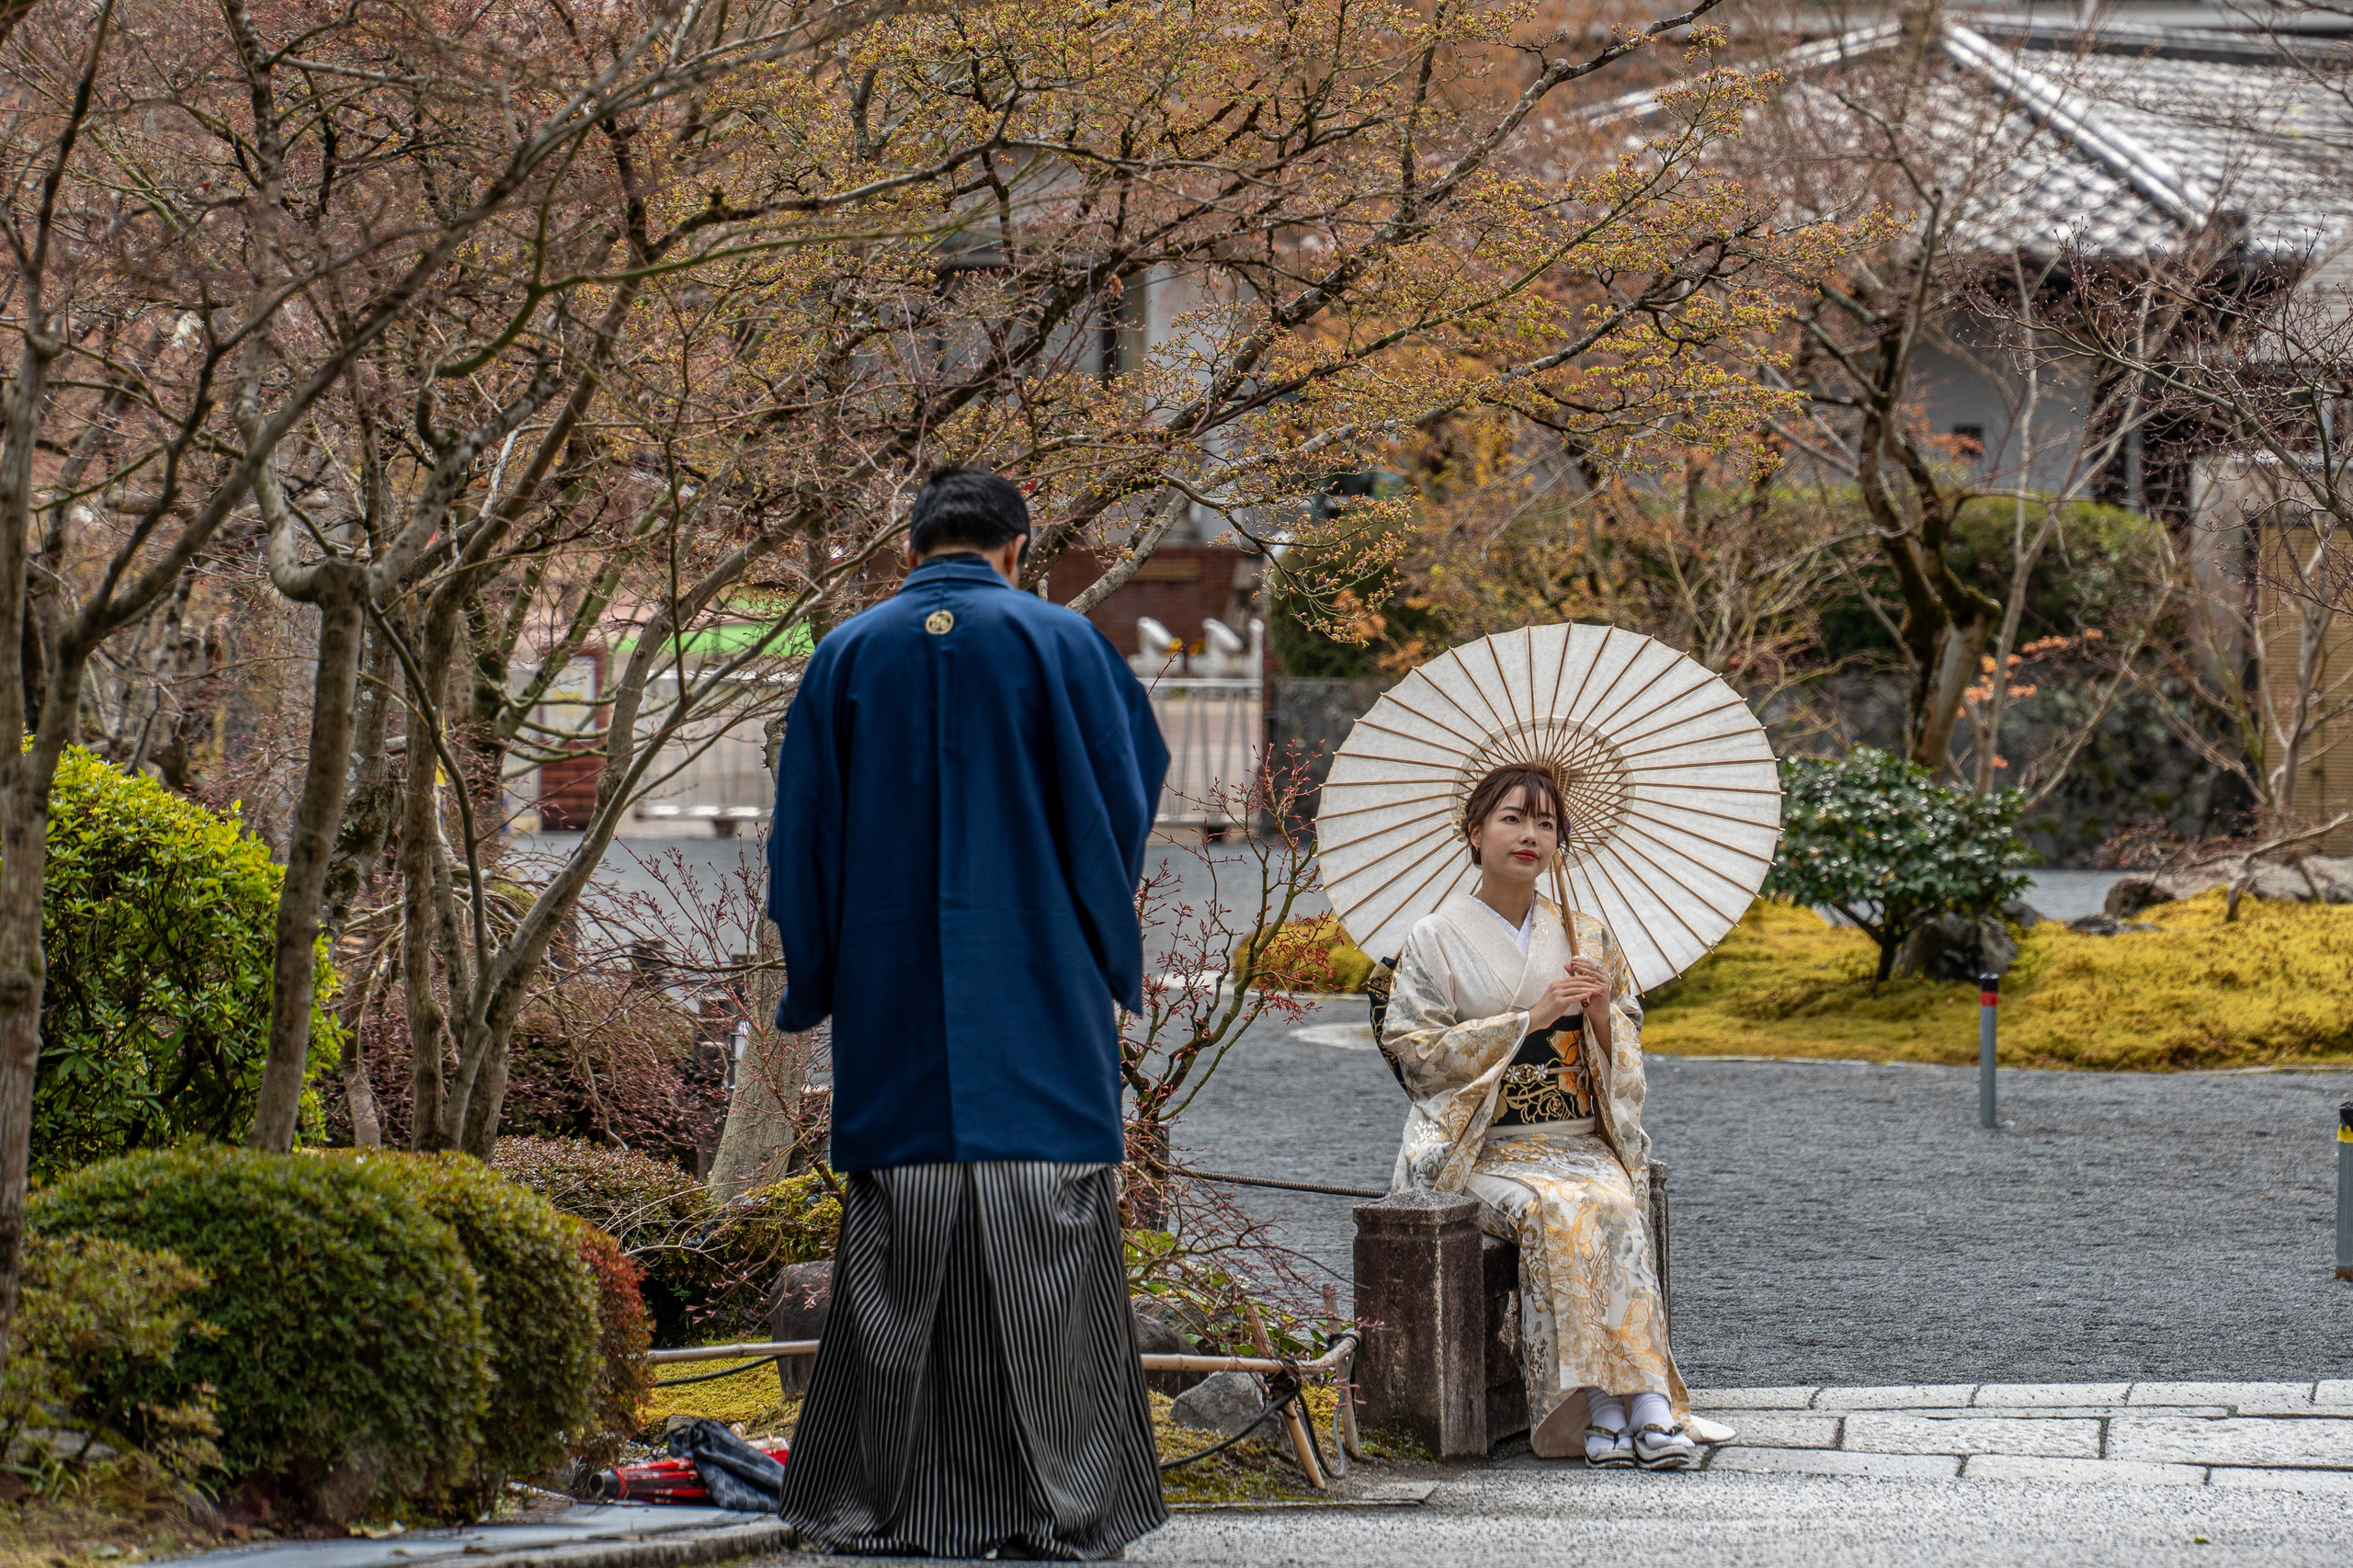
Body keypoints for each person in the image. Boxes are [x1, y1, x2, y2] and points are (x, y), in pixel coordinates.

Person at [765, 466, 1172, 1559]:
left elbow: (801, 835)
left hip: (895, 996)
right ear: (1018, 548)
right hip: (1036, 985)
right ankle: (1061, 1506)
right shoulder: (1063, 642)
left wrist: (819, 978)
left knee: (900, 1241)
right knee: (1049, 1239)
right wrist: (1098, 928)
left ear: (912, 548)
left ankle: (883, 1505)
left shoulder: (846, 652)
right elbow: (1123, 797)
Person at [1377, 761, 1699, 1471]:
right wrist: (1530, 1018)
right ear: (1475, 831)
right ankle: (1592, 1405)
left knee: (1611, 1199)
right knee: (1555, 1209)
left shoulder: (1585, 933)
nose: (1531, 835)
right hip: (1483, 1146)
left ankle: (1643, 1398)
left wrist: (1599, 1015)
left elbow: (1628, 1047)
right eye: (1513, 818)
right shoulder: (1433, 937)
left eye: (1546, 823)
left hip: (1574, 1138)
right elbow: (1417, 1052)